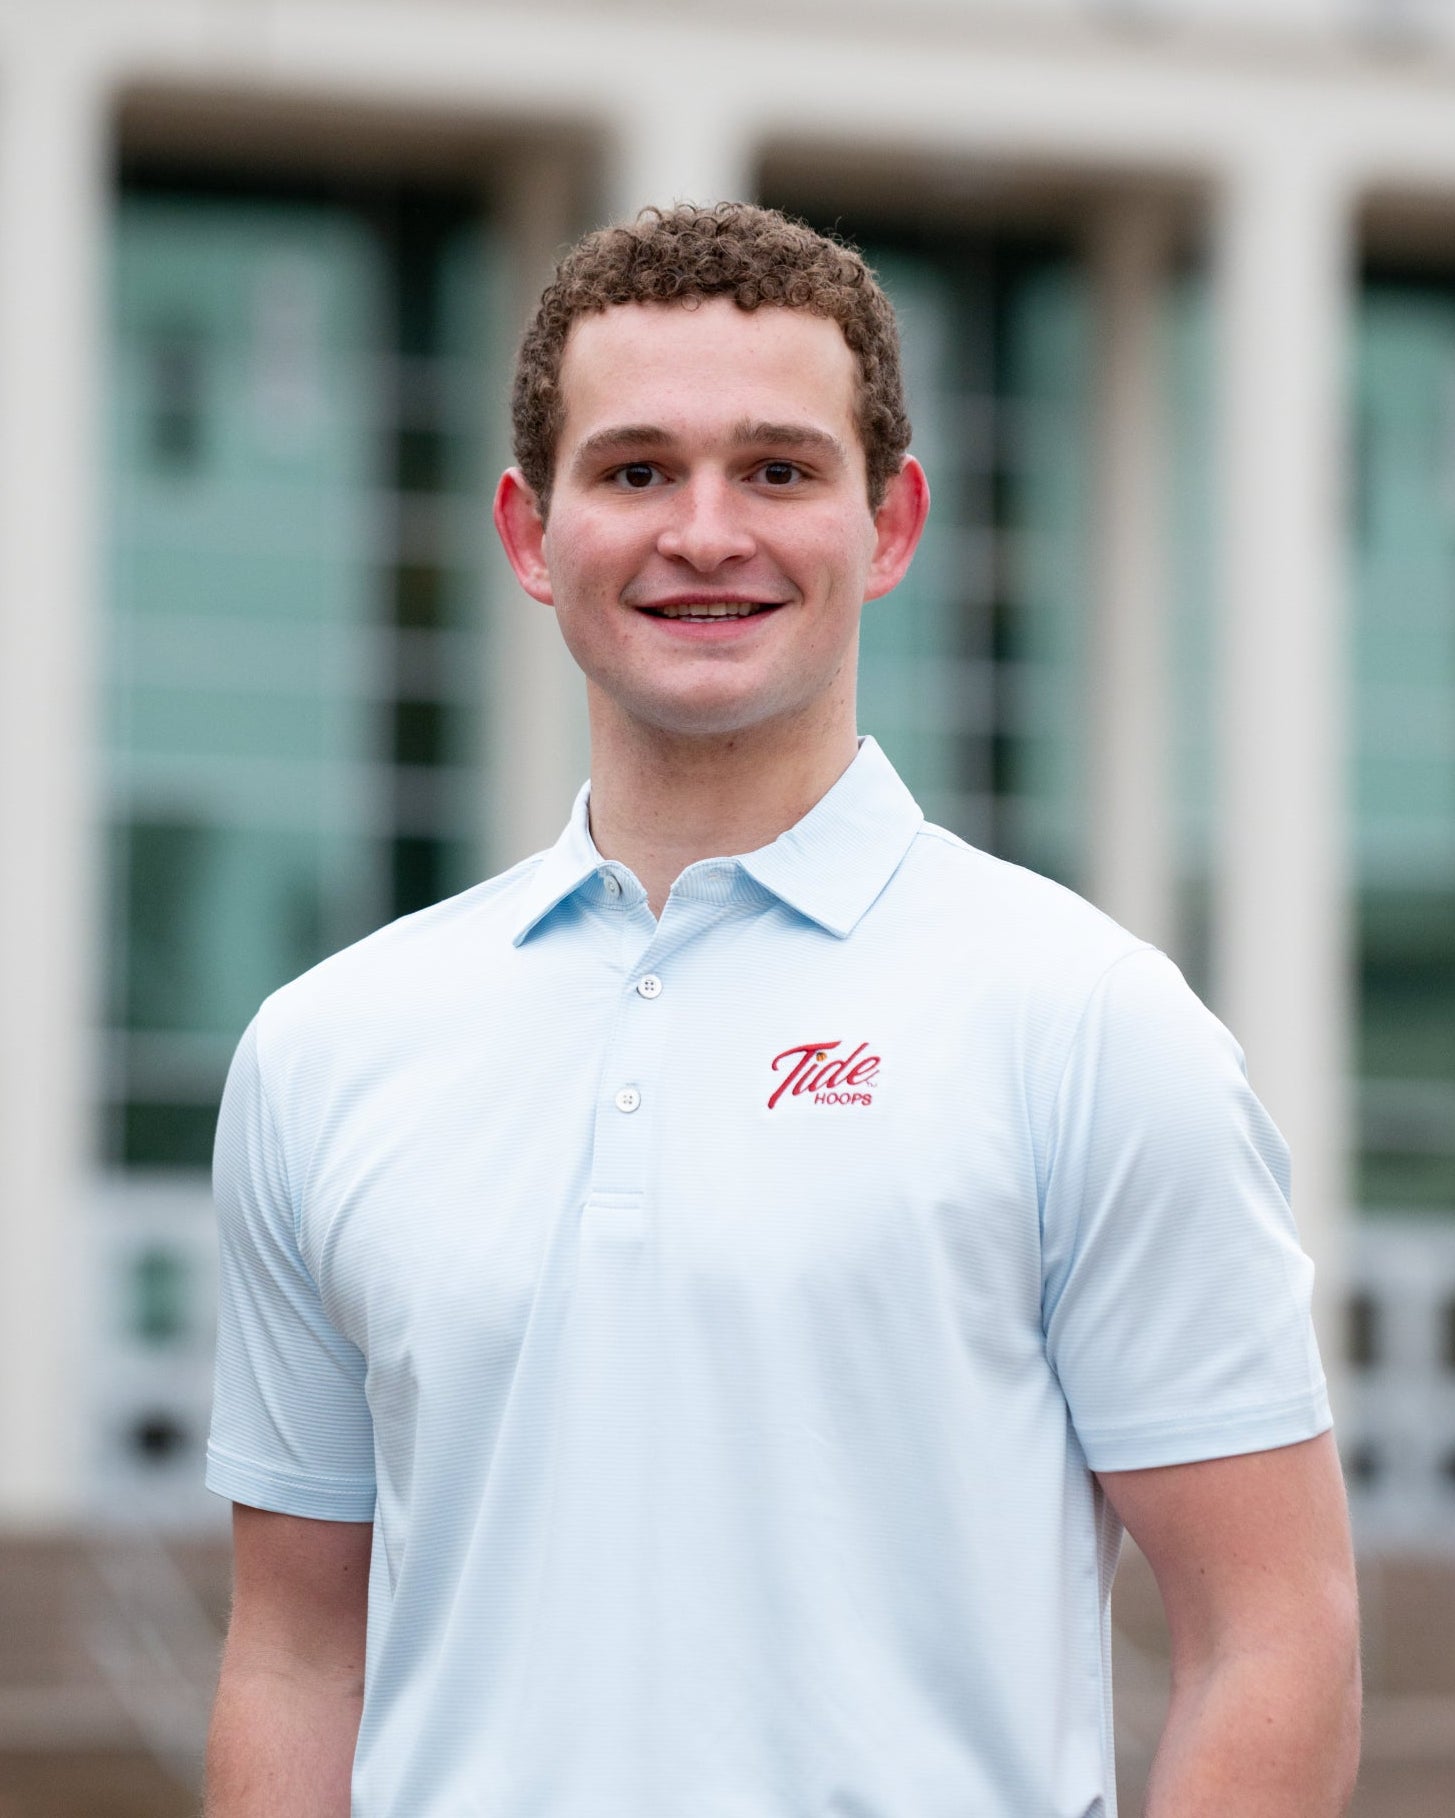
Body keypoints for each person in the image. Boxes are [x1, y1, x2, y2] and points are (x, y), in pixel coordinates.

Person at [203, 202, 1360, 1817]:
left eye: (777, 469)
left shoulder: (1087, 1023)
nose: (705, 532)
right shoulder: (327, 1049)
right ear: (530, 535)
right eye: (636, 472)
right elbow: (294, 1655)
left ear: (890, 525)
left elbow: (1275, 1637)